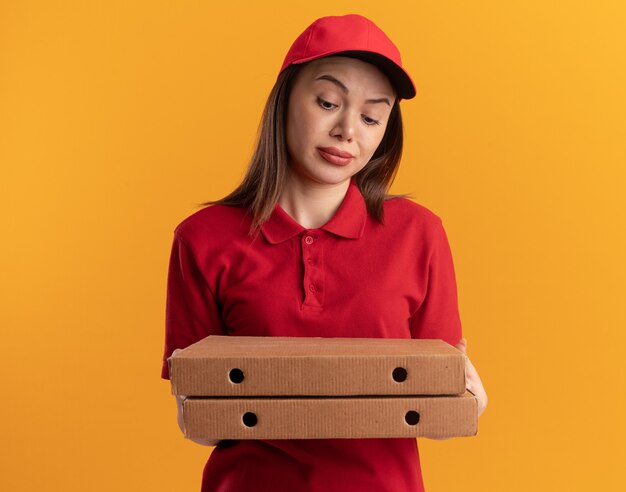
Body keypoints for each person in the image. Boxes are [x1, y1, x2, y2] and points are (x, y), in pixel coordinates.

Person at [161, 13, 488, 492]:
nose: (347, 130)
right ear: (285, 100)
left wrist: (468, 403)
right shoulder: (203, 238)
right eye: (328, 102)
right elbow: (203, 427)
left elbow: (438, 410)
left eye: (372, 116)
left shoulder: (419, 233)